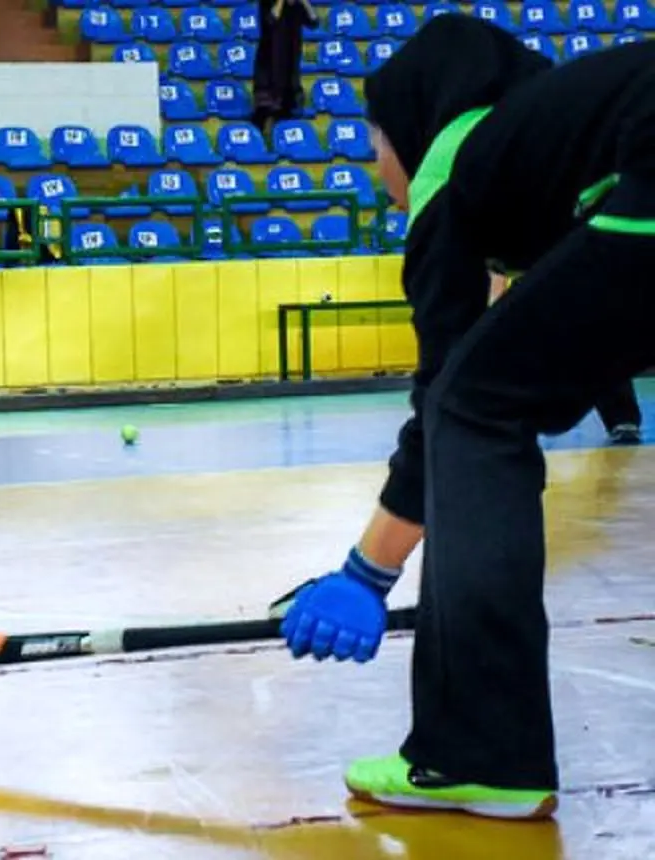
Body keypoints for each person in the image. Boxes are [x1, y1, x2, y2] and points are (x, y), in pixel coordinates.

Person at [276, 16, 655, 820]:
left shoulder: (455, 166)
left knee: (470, 412)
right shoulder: (552, 144)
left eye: (375, 145)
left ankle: (479, 751)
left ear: (410, 124)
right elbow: (551, 373)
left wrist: (365, 575)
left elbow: (452, 401)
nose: (379, 172)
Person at [489, 274, 643, 444]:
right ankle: (506, 417)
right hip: (529, 275)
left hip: (581, 271)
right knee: (518, 343)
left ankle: (622, 417)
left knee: (599, 332)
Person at [251, 0, 319, 139]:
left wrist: (305, 3)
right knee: (263, 111)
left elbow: (314, 22)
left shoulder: (296, 7)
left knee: (286, 114)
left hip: (289, 69)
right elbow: (271, 21)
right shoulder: (268, 4)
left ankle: (281, 142)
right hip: (269, 66)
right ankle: (258, 141)